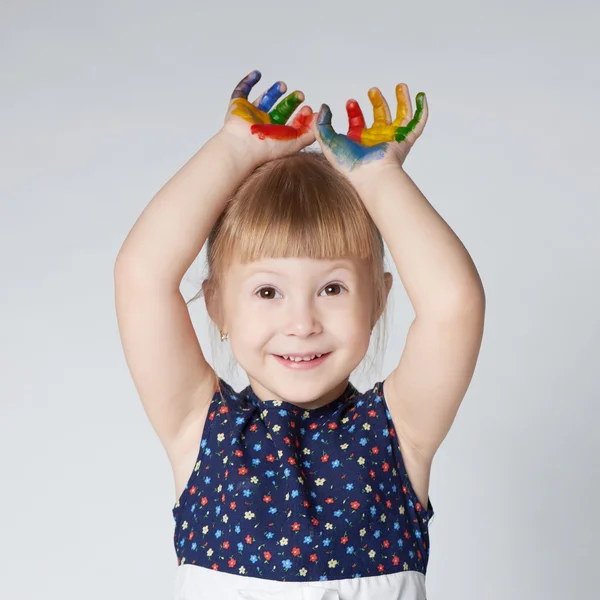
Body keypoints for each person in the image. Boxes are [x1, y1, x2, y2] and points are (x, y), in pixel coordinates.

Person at [114, 69, 486, 600]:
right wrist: (233, 151)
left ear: (378, 300)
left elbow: (454, 304)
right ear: (217, 302)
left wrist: (381, 178)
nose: (302, 323)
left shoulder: (400, 434)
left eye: (332, 289)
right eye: (268, 292)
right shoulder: (200, 431)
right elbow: (141, 275)